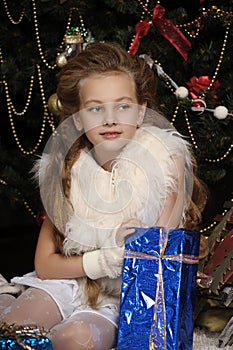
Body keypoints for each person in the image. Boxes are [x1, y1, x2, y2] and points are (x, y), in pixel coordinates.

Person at [0, 42, 207, 350]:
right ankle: (7, 297)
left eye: (122, 106)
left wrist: (139, 245)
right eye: (95, 108)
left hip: (119, 297)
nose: (110, 119)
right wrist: (103, 260)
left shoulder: (164, 163)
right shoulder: (69, 168)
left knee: (75, 339)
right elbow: (45, 265)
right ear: (79, 119)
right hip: (66, 282)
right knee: (13, 328)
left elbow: (157, 265)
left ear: (140, 113)